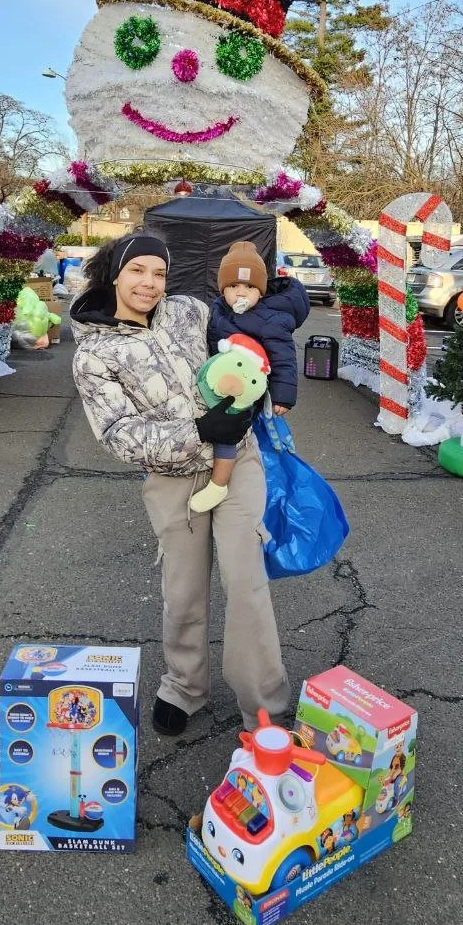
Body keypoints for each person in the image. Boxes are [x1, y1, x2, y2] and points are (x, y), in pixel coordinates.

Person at [70, 230, 290, 737]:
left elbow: (249, 327)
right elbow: (117, 434)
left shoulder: (187, 311)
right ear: (115, 274)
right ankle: (185, 686)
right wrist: (196, 432)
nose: (150, 284)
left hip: (239, 460)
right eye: (138, 271)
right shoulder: (94, 353)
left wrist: (263, 366)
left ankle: (266, 708)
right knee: (184, 590)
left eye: (160, 273)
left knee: (245, 580)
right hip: (174, 480)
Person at [189, 242, 310, 512]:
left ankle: (219, 484)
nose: (240, 293)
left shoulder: (271, 318)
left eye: (249, 287)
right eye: (233, 287)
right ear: (223, 290)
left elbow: (284, 357)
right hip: (220, 380)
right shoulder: (219, 309)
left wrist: (283, 395)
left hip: (247, 388)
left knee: (228, 431)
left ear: (260, 291)